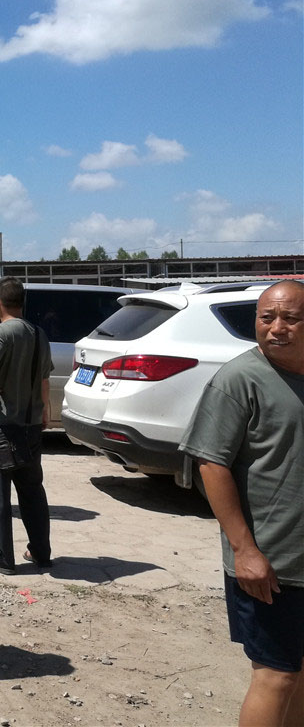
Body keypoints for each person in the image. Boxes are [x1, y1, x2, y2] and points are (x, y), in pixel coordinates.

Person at [180, 280, 304, 726]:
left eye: (289, 318)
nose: (275, 328)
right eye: (266, 317)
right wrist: (244, 549)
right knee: (276, 674)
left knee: (299, 673)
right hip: (270, 562)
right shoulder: (240, 379)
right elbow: (211, 464)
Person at [0, 277, 53, 575]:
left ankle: (3, 556)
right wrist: (45, 410)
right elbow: (44, 378)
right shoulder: (37, 332)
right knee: (32, 490)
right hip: (31, 424)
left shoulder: (0, 332)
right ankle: (41, 551)